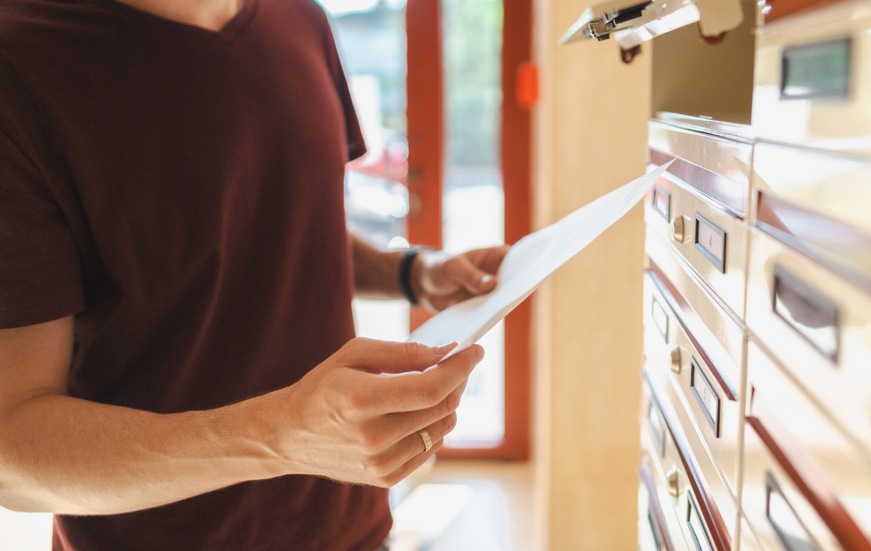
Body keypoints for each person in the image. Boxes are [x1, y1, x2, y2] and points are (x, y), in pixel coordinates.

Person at [0, 0, 509, 549]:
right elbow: (14, 456)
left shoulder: (303, 19)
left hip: (356, 528)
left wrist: (411, 271)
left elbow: (276, 217)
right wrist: (279, 436)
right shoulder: (20, 59)